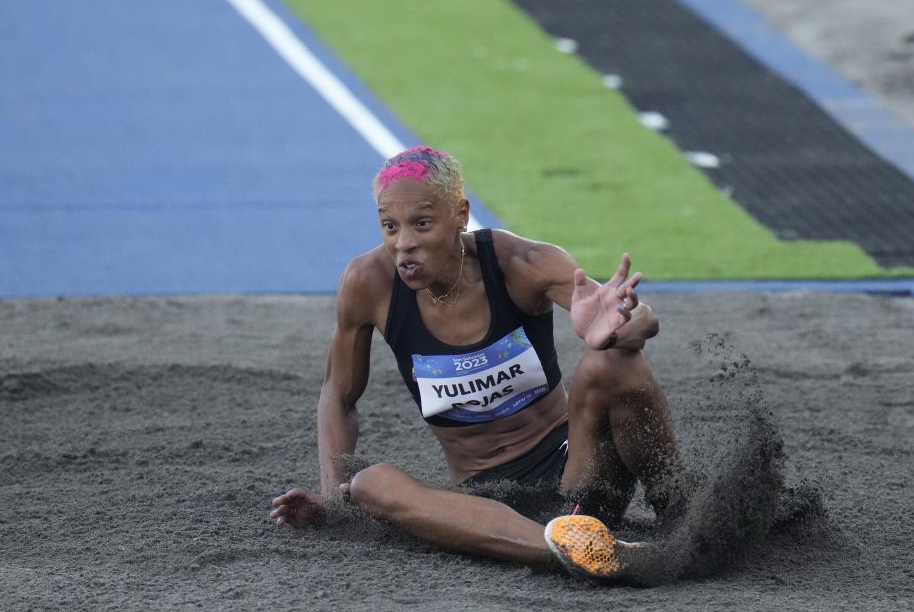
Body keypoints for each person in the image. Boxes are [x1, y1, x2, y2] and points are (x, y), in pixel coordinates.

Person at [270, 146, 681, 580]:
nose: (403, 242)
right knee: (369, 485)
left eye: (421, 223)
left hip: (576, 477)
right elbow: (337, 393)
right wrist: (332, 502)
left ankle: (681, 514)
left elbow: (641, 317)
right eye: (389, 226)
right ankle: (570, 549)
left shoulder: (518, 263)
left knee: (612, 364)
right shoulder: (368, 284)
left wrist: (617, 330)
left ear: (460, 215)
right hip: (482, 506)